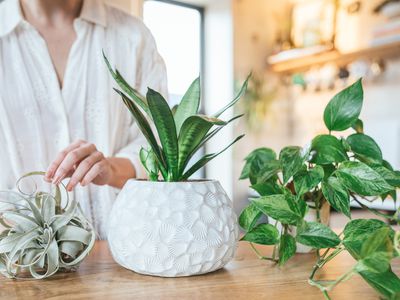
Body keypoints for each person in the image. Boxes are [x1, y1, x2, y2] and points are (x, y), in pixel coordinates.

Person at [0, 0, 168, 239]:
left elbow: (158, 148)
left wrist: (110, 168)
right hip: (11, 259)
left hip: (121, 251)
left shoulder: (133, 38)